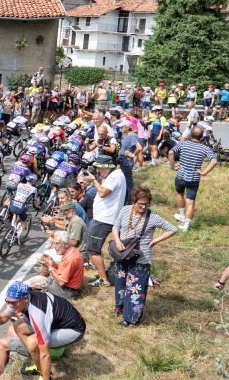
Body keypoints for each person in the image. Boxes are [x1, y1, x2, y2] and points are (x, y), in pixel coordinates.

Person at [0, 281, 85, 380]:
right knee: (17, 326)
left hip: (73, 330)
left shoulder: (37, 313)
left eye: (13, 303)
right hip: (58, 321)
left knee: (33, 344)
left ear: (26, 299)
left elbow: (45, 354)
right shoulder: (20, 299)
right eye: (7, 301)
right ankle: (38, 365)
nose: (10, 305)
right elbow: (2, 317)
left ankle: (45, 376)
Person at [105, 186, 177, 323]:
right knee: (120, 283)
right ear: (133, 202)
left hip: (141, 258)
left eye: (146, 204)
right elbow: (115, 227)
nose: (143, 207)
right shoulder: (125, 210)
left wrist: (156, 240)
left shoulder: (152, 217)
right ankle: (120, 308)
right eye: (140, 204)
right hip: (123, 254)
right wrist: (117, 241)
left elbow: (172, 229)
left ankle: (131, 319)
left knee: (135, 289)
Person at [80, 156, 126, 286]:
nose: (98, 170)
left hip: (104, 218)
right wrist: (97, 179)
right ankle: (94, 269)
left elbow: (102, 192)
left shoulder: (114, 177)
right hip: (101, 217)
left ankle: (103, 279)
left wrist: (94, 180)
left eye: (99, 168)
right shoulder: (114, 175)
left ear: (107, 167)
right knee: (89, 242)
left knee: (94, 249)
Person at [169, 127, 218, 232]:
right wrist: (204, 172)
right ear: (201, 137)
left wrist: (172, 166)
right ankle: (186, 226)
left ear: (191, 135)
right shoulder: (205, 148)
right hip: (194, 178)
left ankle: (182, 215)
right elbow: (214, 161)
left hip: (180, 175)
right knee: (191, 202)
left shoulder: (183, 144)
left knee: (180, 194)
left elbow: (170, 153)